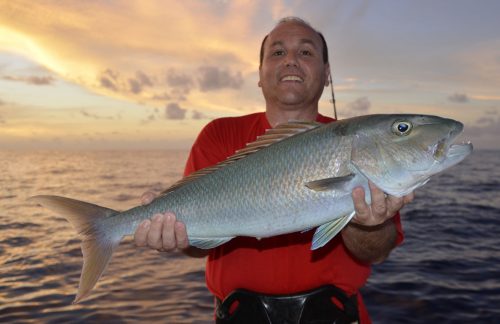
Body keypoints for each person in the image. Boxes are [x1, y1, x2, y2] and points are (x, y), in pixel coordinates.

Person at [134, 17, 414, 323]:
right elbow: (197, 248)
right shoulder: (218, 135)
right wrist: (173, 234)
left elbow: (376, 252)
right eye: (278, 53)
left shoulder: (362, 144)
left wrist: (367, 223)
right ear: (260, 73)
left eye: (306, 53)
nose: (291, 60)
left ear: (327, 74)